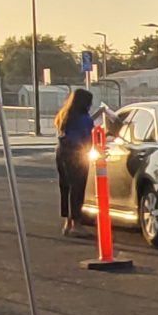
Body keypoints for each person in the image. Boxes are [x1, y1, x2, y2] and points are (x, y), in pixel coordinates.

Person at [54, 89, 96, 238]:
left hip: (62, 151)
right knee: (78, 188)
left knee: (65, 187)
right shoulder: (85, 119)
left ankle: (68, 223)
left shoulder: (64, 115)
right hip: (77, 153)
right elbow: (88, 138)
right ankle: (77, 224)